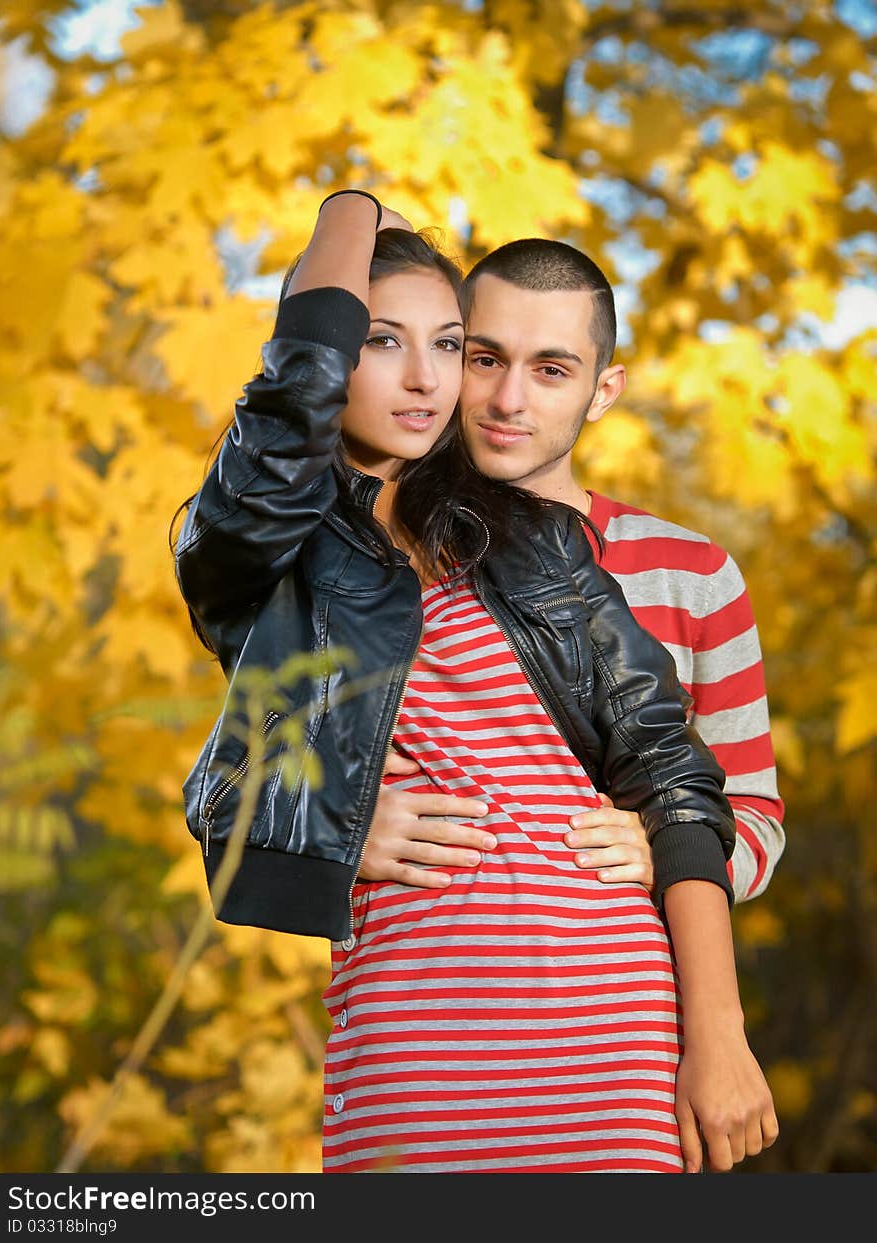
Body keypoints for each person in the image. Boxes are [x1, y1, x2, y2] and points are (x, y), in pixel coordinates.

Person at [173, 190, 777, 1175]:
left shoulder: (535, 539)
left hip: (610, 1028)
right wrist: (351, 207)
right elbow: (291, 406)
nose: (428, 378)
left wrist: (716, 1037)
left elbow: (676, 781)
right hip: (414, 1035)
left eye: (450, 345)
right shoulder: (262, 547)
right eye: (381, 341)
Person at [363, 239, 784, 910]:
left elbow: (755, 813)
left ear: (602, 391)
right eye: (484, 358)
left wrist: (670, 852)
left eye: (551, 370)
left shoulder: (693, 574)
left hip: (631, 994)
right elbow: (256, 766)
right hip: (421, 991)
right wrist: (338, 830)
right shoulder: (380, 556)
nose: (508, 399)